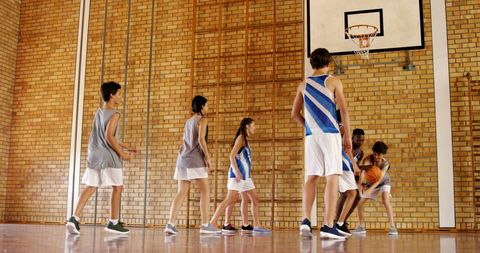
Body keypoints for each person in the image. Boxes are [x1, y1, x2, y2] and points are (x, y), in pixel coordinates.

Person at [291, 48, 352, 239]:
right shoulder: (333, 81)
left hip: (311, 136)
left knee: (312, 177)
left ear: (312, 63)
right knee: (332, 176)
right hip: (330, 133)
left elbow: (294, 114)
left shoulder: (303, 84)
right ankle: (328, 224)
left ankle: (305, 220)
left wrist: (309, 127)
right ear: (329, 62)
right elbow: (343, 110)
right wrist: (347, 136)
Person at [66, 81, 138, 235]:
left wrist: (127, 147)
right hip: (108, 156)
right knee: (117, 187)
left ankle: (74, 218)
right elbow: (109, 136)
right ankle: (113, 222)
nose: (120, 96)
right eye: (119, 93)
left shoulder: (99, 112)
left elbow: (109, 136)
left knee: (91, 186)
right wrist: (123, 154)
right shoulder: (115, 113)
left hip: (95, 154)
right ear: (112, 95)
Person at [165, 96, 221, 234]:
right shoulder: (203, 119)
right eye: (207, 105)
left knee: (181, 192)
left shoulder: (188, 121)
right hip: (195, 160)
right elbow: (201, 140)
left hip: (182, 159)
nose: (208, 108)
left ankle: (170, 224)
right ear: (202, 106)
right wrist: (208, 158)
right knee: (205, 191)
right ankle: (205, 225)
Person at [209, 118, 271, 234]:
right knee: (230, 199)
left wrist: (248, 175)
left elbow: (245, 160)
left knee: (255, 199)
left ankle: (257, 225)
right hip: (237, 175)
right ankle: (211, 223)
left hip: (246, 177)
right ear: (247, 126)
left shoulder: (245, 140)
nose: (255, 128)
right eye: (253, 125)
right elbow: (231, 156)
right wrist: (237, 172)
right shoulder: (241, 138)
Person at [352, 141, 398, 235]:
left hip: (384, 181)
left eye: (378, 155)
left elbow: (379, 179)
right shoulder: (368, 160)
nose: (376, 157)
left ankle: (393, 227)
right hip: (370, 182)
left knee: (385, 200)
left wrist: (370, 189)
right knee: (359, 204)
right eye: (374, 154)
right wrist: (361, 185)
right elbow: (363, 174)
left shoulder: (386, 164)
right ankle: (361, 227)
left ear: (383, 154)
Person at [334, 128, 365, 232]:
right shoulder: (346, 144)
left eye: (362, 140)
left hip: (348, 173)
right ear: (352, 138)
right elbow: (352, 162)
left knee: (357, 196)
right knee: (345, 194)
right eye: (358, 139)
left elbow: (355, 169)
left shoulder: (360, 153)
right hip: (340, 169)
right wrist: (356, 166)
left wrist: (359, 181)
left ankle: (343, 220)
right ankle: (337, 221)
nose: (360, 142)